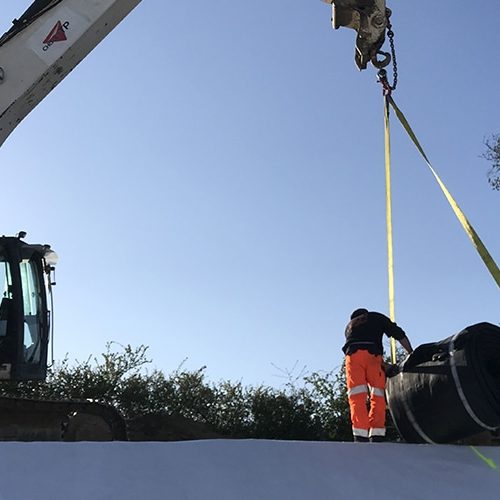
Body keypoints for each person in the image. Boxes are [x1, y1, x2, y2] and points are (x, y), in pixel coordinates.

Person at [343, 308, 413, 443]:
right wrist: (411, 352)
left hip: (352, 357)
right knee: (378, 394)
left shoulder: (349, 327)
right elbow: (398, 333)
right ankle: (377, 434)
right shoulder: (376, 317)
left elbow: (361, 351)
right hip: (373, 355)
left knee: (356, 396)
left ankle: (360, 435)